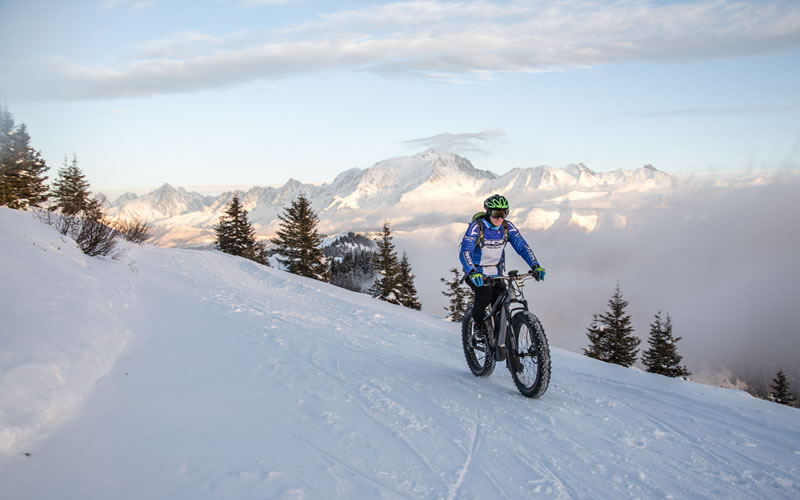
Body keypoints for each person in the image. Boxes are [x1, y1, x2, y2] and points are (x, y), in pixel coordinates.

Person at [459, 194, 545, 341]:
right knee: (484, 296)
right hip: (476, 272)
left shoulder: (507, 227)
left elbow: (522, 247)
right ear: (488, 212)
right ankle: (478, 325)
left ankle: (502, 343)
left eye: (503, 214)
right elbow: (465, 250)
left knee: (502, 303)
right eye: (496, 214)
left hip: (496, 273)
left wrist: (535, 265)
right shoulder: (476, 227)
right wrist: (472, 271)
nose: (500, 218)